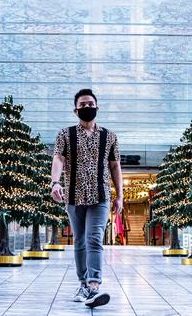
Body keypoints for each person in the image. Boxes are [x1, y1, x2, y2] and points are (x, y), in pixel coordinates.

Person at [51, 89, 123, 308]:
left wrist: (120, 195)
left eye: (90, 103)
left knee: (94, 238)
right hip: (73, 196)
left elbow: (115, 166)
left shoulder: (109, 136)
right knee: (80, 241)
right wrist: (55, 182)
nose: (87, 107)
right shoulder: (65, 134)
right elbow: (58, 159)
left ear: (97, 107)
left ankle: (93, 284)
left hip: (100, 196)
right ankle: (83, 283)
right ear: (75, 110)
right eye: (82, 104)